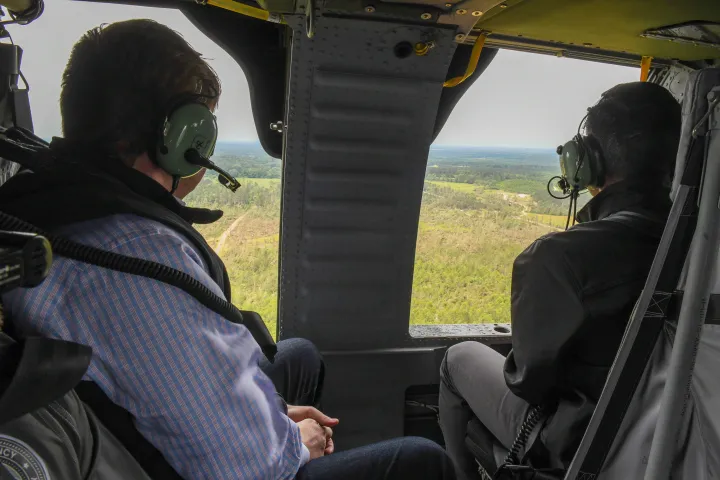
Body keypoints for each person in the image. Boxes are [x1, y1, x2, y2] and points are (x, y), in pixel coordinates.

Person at [0, 19, 455, 480]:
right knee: (421, 460)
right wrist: (295, 442)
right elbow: (242, 466)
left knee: (298, 355)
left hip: (130, 438)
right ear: (181, 137)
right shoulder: (133, 254)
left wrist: (273, 420)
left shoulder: (50, 203)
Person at [438, 82, 682, 479]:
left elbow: (529, 384)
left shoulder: (556, 257)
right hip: (671, 445)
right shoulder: (703, 251)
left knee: (457, 358)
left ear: (586, 162)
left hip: (579, 444)